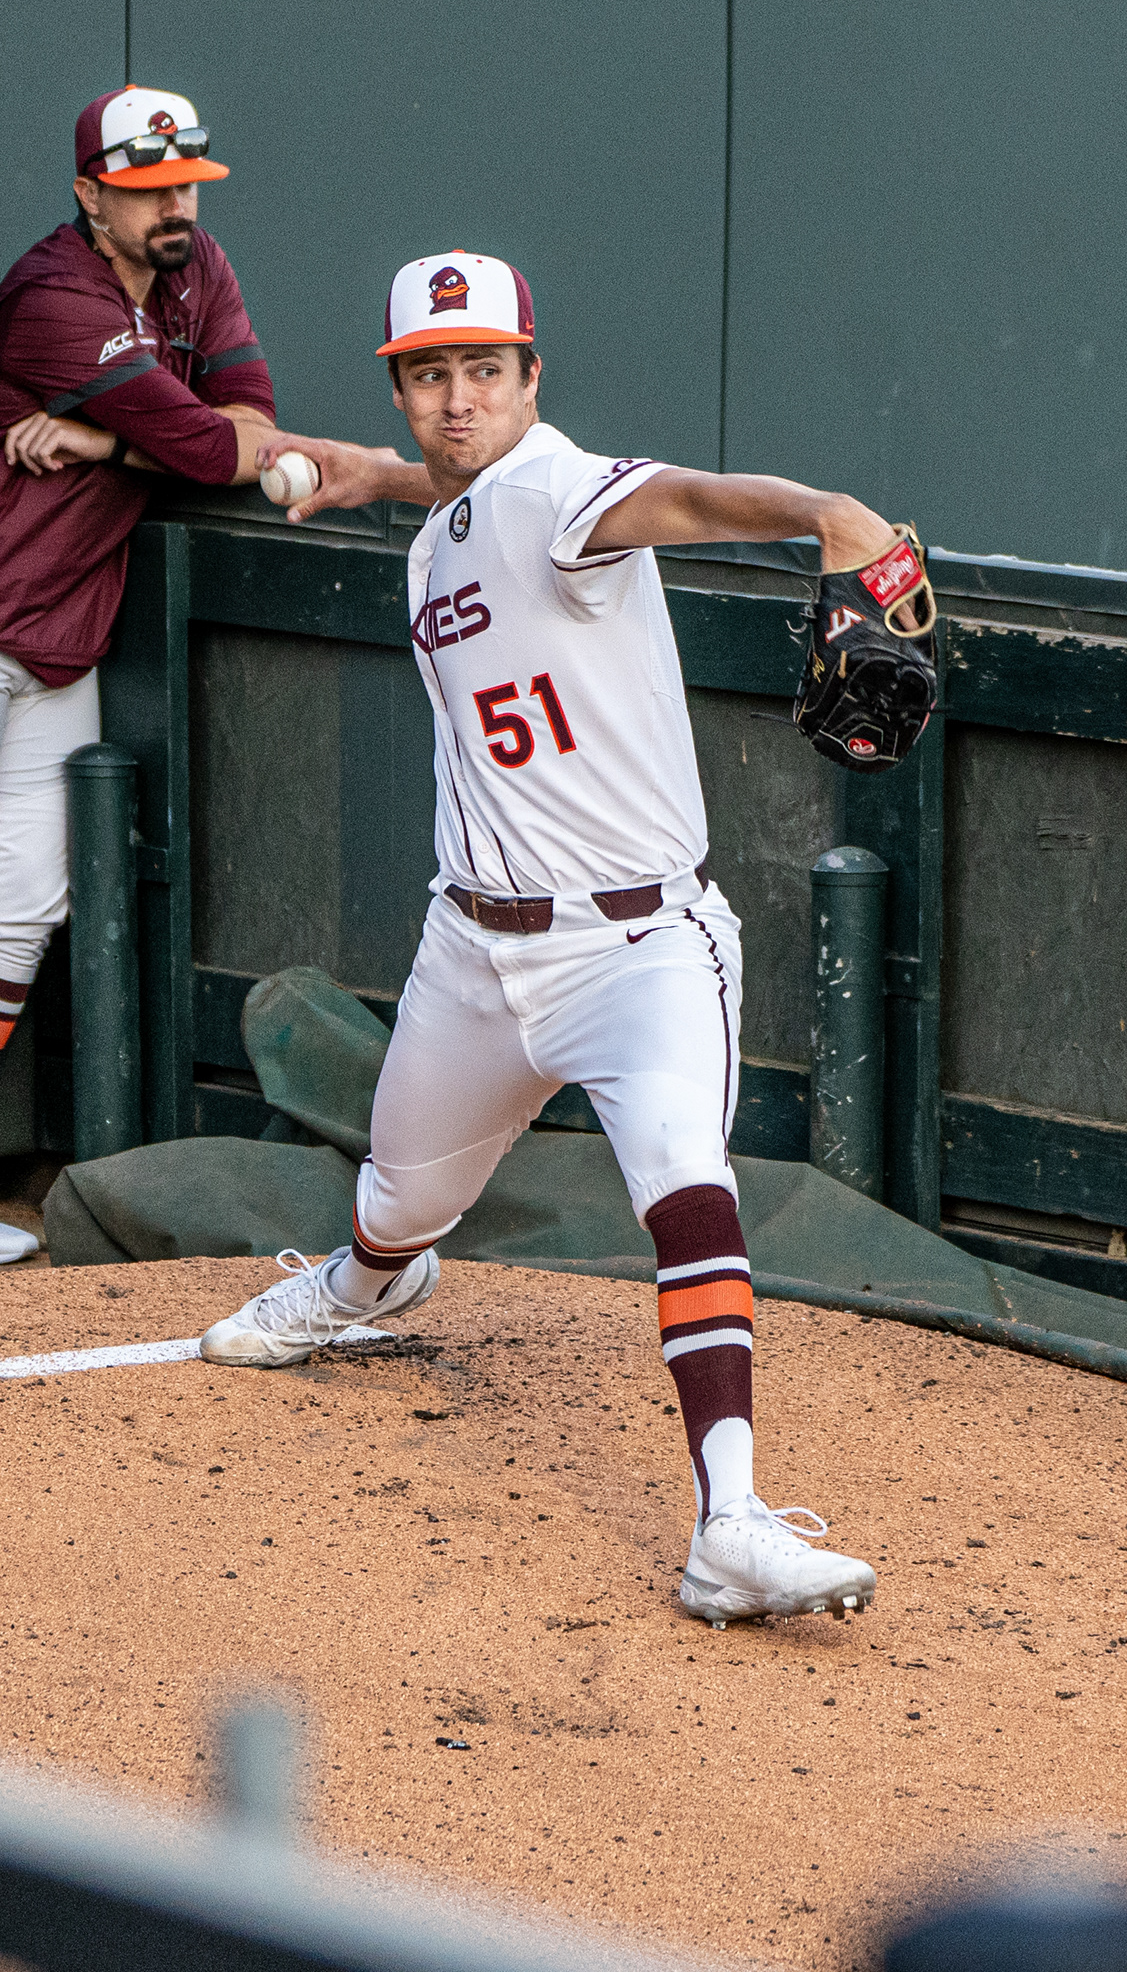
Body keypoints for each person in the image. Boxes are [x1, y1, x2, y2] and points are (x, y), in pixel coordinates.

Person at [196, 250, 896, 1626]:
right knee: (400, 1206)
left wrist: (824, 511)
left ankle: (731, 1522)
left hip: (639, 952)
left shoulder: (567, 489)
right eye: (431, 375)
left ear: (531, 377)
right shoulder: (447, 517)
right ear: (403, 390)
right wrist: (372, 476)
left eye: (486, 370)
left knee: (686, 1183)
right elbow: (470, 499)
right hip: (471, 955)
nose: (460, 398)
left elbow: (676, 501)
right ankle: (360, 1289)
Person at [0, 87, 352, 1277]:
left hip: (58, 628)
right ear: (89, 196)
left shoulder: (196, 270)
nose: (175, 207)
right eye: (148, 188)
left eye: (187, 185)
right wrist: (161, 435)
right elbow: (214, 445)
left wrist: (106, 439)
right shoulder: (52, 296)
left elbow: (251, 427)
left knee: (21, 903)